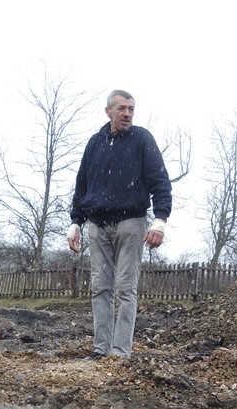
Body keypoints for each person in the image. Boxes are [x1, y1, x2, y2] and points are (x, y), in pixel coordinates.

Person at [68, 89, 172, 359]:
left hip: (130, 223)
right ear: (108, 111)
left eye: (131, 109)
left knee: (126, 288)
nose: (127, 114)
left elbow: (159, 179)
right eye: (122, 108)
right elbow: (82, 184)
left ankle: (120, 353)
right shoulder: (95, 144)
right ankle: (100, 349)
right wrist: (76, 221)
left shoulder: (141, 139)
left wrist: (160, 219)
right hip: (97, 225)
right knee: (100, 288)